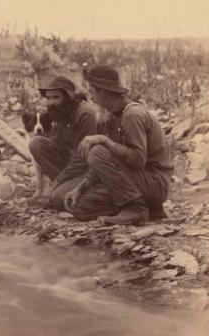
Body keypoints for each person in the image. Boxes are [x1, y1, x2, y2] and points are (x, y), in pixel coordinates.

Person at [64, 64, 173, 225]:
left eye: (92, 90)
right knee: (81, 207)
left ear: (102, 90)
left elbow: (137, 160)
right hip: (137, 182)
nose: (90, 96)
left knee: (96, 151)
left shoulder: (132, 115)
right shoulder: (113, 116)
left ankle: (136, 210)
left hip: (155, 183)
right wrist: (80, 188)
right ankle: (151, 209)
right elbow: (109, 163)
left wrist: (104, 140)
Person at [27, 76, 99, 208]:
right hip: (70, 166)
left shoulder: (85, 114)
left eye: (56, 97)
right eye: (48, 98)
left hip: (88, 170)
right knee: (36, 143)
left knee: (58, 199)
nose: (50, 102)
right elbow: (58, 148)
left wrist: (55, 184)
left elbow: (82, 158)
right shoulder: (59, 112)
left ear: (68, 97)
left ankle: (84, 191)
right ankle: (62, 187)